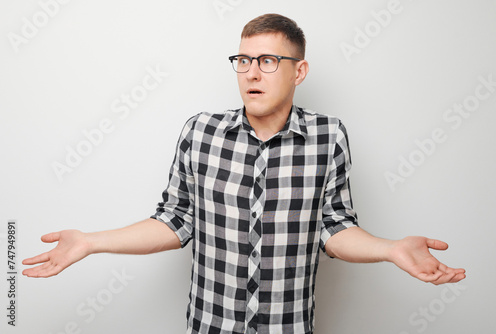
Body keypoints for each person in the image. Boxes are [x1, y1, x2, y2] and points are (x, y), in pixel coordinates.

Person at [23, 13, 465, 334]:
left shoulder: (329, 137)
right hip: (209, 326)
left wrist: (390, 250)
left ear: (299, 71)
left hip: (288, 328)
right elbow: (175, 221)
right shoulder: (201, 132)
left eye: (269, 61)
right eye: (244, 60)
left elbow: (333, 228)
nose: (252, 72)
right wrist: (91, 242)